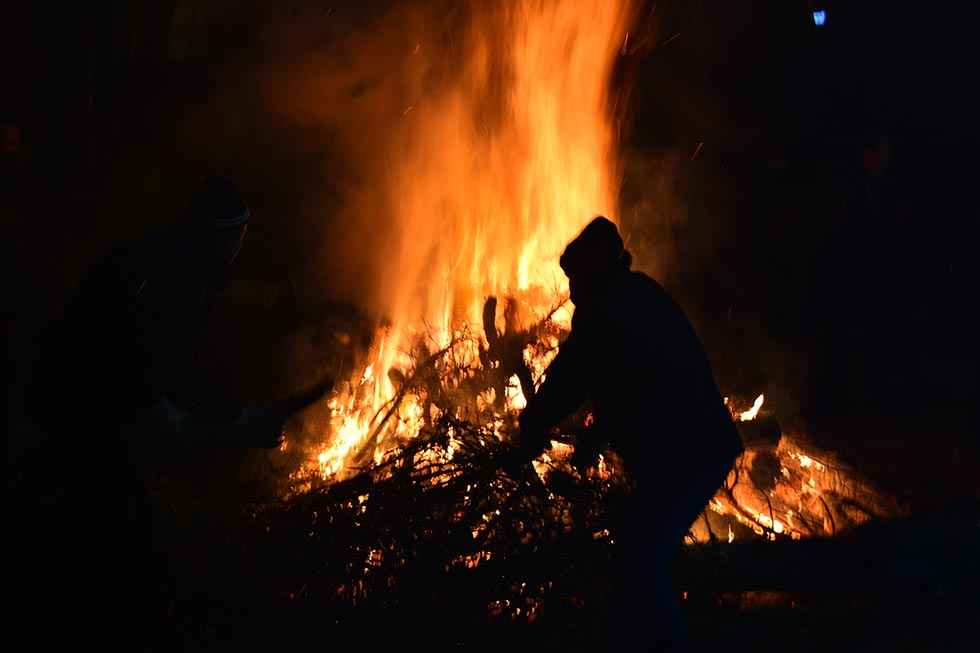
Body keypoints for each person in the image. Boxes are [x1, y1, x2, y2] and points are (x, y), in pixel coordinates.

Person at [16, 176, 329, 649]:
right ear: (216, 234)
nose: (240, 245)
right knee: (114, 528)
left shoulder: (187, 265)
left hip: (105, 397)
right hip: (83, 406)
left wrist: (226, 414)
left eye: (244, 233)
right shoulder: (170, 275)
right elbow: (150, 367)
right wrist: (235, 425)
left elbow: (188, 366)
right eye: (234, 235)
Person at [513, 216, 743, 651]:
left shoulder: (611, 306)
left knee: (642, 555)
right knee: (638, 547)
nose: (570, 290)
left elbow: (572, 376)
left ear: (593, 271)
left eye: (575, 278)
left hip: (691, 450)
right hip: (691, 447)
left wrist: (532, 424)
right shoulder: (635, 295)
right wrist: (595, 437)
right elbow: (629, 379)